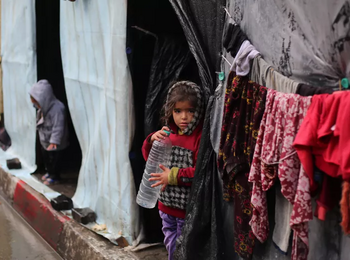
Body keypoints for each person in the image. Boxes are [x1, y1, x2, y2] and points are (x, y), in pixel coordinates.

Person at [142, 81, 204, 260]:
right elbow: (149, 160)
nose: (184, 117)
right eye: (178, 111)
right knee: (170, 242)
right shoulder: (167, 134)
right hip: (165, 205)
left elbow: (200, 172)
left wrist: (173, 176)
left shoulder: (199, 138)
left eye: (190, 111)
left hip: (186, 209)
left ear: (198, 111)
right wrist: (152, 141)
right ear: (170, 111)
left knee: (183, 247)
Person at [29, 80, 69, 185]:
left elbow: (58, 127)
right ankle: (50, 172)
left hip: (56, 143)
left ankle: (55, 176)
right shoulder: (42, 109)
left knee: (55, 160)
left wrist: (54, 141)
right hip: (45, 141)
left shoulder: (58, 109)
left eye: (37, 102)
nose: (36, 105)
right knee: (47, 159)